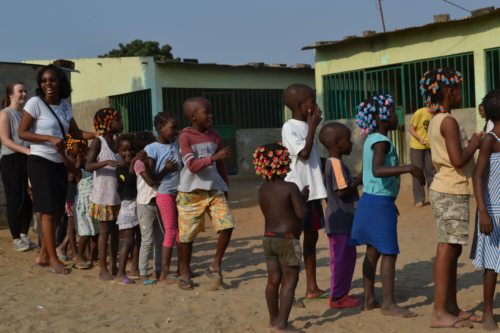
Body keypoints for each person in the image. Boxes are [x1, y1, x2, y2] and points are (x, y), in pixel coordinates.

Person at [350, 94, 424, 317]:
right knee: (389, 253)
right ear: (380, 117)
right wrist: (409, 167)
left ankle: (369, 299)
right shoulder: (382, 141)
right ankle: (389, 304)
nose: (396, 115)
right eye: (391, 112)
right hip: (378, 204)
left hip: (371, 202)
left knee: (372, 252)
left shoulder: (371, 139)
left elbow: (365, 175)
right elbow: (377, 170)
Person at [18, 64, 95, 274]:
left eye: (52, 80)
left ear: (61, 82)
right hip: (40, 161)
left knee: (59, 210)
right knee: (47, 212)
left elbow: (76, 133)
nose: (48, 84)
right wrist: (49, 138)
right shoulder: (35, 103)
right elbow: (23, 132)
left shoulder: (65, 106)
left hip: (59, 163)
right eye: (44, 81)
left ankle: (43, 253)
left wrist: (98, 135)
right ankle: (53, 260)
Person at [420, 68, 482, 328]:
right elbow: (458, 159)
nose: (460, 93)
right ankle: (439, 313)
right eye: (457, 88)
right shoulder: (447, 121)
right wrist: (475, 143)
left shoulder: (438, 119)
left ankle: (451, 307)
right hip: (450, 189)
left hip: (448, 188)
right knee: (447, 248)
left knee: (452, 247)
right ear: (447, 91)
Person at [177, 97, 234, 290]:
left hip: (214, 189)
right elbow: (191, 165)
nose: (210, 116)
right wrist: (214, 157)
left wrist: (225, 187)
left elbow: (221, 166)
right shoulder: (185, 137)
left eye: (211, 112)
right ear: (193, 116)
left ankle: (215, 264)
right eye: (205, 112)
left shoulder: (215, 135)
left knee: (227, 225)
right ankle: (184, 272)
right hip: (190, 192)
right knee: (187, 236)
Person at [254, 143, 307, 333]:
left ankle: (273, 320)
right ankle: (283, 325)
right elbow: (300, 214)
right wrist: (303, 198)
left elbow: (272, 212)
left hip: (269, 239)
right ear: (284, 163)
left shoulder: (263, 189)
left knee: (273, 280)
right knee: (289, 281)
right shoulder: (291, 187)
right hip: (287, 239)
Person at [281, 84, 327, 300]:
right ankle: (288, 288)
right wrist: (313, 128)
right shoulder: (289, 127)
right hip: (298, 193)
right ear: (300, 106)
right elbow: (305, 153)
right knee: (293, 240)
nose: (315, 104)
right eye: (311, 100)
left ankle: (311, 287)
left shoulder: (307, 126)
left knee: (312, 237)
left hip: (313, 193)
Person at [318, 122, 361, 309]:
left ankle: (342, 293)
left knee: (347, 258)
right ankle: (336, 297)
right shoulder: (335, 164)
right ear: (337, 143)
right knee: (340, 259)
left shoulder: (335, 163)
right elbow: (342, 191)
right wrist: (359, 179)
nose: (351, 143)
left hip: (345, 220)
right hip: (340, 222)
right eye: (348, 140)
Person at [471, 89, 500, 331]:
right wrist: (483, 211)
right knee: (491, 265)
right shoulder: (490, 139)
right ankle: (487, 312)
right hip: (493, 211)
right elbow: (478, 177)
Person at [85, 108, 123, 280]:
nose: (121, 122)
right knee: (105, 231)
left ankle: (114, 265)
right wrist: (106, 162)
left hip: (117, 196)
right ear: (107, 123)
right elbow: (88, 165)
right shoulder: (98, 142)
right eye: (118, 119)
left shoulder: (118, 142)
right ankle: (103, 269)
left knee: (115, 232)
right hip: (103, 196)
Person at [144, 112, 182, 284]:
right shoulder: (152, 148)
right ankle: (165, 273)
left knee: (183, 233)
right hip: (165, 194)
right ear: (160, 128)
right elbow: (152, 178)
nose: (176, 132)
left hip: (180, 193)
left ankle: (183, 269)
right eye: (173, 128)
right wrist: (166, 169)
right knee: (171, 232)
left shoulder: (175, 145)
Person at [0, 82, 34, 251]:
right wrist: (26, 151)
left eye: (25, 91)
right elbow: (6, 140)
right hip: (11, 159)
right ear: (11, 95)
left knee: (28, 198)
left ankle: (24, 234)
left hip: (27, 157)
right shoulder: (5, 114)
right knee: (15, 198)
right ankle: (15, 237)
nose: (24, 94)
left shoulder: (25, 116)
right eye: (20, 91)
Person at [134, 131, 162, 284]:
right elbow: (151, 182)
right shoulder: (140, 162)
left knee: (159, 239)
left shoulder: (153, 160)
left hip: (156, 202)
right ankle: (143, 273)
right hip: (145, 203)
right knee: (147, 240)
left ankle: (157, 270)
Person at [115, 134, 141, 284]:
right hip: (128, 207)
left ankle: (134, 268)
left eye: (131, 149)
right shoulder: (120, 169)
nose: (128, 153)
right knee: (128, 241)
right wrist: (132, 164)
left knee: (138, 239)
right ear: (118, 152)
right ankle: (120, 272)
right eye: (124, 150)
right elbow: (128, 184)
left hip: (137, 204)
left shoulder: (135, 166)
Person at [56, 135, 83, 263]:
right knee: (71, 226)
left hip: (76, 196)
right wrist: (77, 163)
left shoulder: (75, 157)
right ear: (71, 147)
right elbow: (70, 178)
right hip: (70, 197)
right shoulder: (68, 160)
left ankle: (68, 249)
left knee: (74, 226)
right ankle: (63, 248)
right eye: (78, 146)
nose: (80, 149)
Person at [73, 137, 97, 269]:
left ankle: (92, 257)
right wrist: (78, 162)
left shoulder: (95, 171)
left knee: (95, 232)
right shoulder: (80, 172)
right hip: (83, 206)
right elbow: (71, 176)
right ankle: (79, 256)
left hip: (94, 204)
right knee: (85, 233)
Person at [409, 106, 435, 207]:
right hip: (416, 147)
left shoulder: (436, 115)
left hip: (429, 146)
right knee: (417, 172)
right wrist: (419, 138)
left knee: (431, 172)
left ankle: (433, 197)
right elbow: (411, 129)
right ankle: (419, 199)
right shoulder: (419, 113)